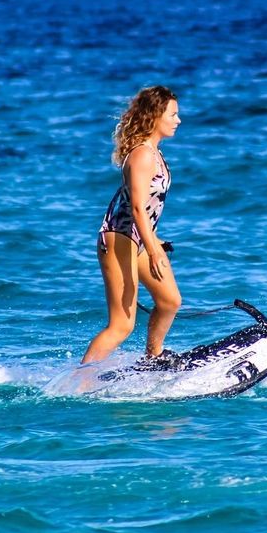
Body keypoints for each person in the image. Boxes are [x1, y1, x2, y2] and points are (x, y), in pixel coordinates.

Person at [82, 86, 182, 365]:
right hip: (120, 239)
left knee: (169, 301)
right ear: (154, 116)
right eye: (172, 115)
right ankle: (80, 382)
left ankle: (154, 357)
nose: (178, 120)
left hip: (138, 239)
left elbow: (143, 208)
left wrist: (154, 240)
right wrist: (152, 250)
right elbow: (137, 206)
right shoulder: (142, 156)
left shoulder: (154, 153)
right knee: (122, 325)